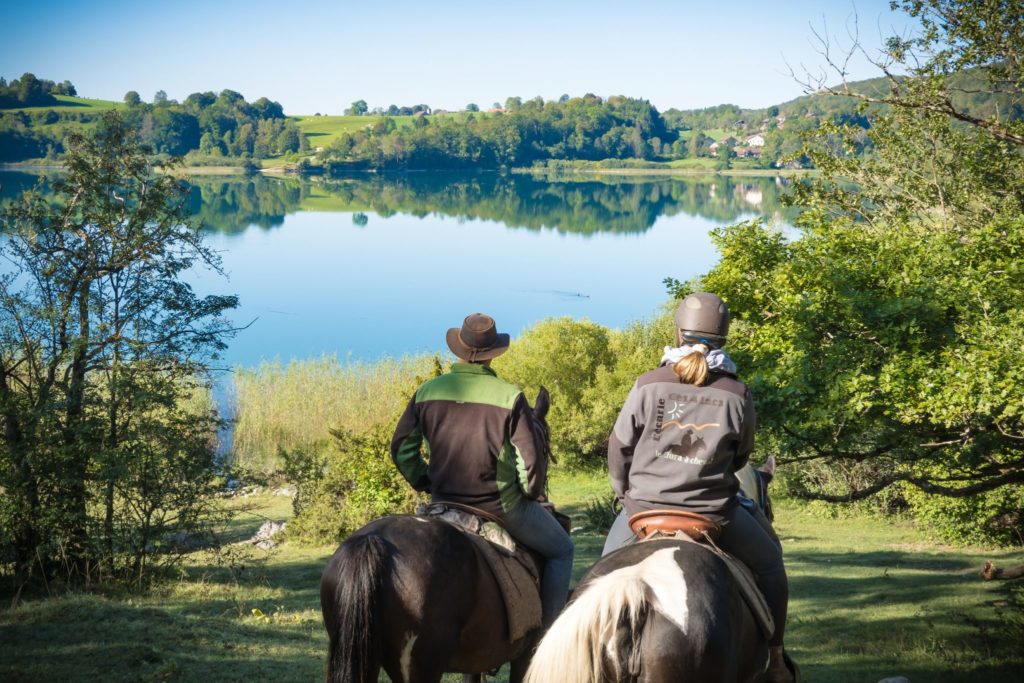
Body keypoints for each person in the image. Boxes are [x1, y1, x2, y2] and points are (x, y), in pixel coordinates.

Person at [602, 292, 795, 683]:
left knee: (597, 578)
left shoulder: (647, 384)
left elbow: (618, 448)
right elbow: (741, 456)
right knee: (771, 564)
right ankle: (776, 660)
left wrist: (627, 497)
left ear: (678, 332)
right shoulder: (737, 393)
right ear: (723, 337)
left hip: (644, 511)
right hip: (713, 514)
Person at [391, 312, 575, 628]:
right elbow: (529, 462)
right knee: (562, 551)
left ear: (459, 349)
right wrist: (529, 493)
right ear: (493, 354)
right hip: (500, 507)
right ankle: (547, 636)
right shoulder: (510, 396)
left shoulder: (427, 391)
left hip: (443, 501)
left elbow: (402, 450)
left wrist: (426, 480)